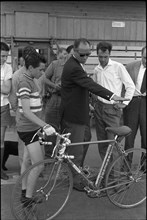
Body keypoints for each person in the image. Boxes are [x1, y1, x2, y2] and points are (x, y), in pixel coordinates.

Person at [60, 38, 129, 191]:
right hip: (77, 115)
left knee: (98, 142)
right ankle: (76, 178)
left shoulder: (80, 64)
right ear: (74, 52)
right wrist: (111, 96)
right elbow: (90, 85)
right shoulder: (75, 67)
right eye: (82, 54)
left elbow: (85, 87)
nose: (85, 58)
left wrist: (123, 103)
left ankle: (112, 178)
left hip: (101, 111)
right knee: (80, 148)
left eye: (87, 54)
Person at [14, 49, 56, 206]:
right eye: (40, 69)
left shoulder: (30, 80)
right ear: (30, 68)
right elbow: (25, 111)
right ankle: (28, 199)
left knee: (26, 160)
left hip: (32, 128)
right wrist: (45, 125)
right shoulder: (25, 82)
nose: (42, 72)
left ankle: (25, 191)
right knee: (38, 165)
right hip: (29, 129)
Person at [92, 41, 135, 162]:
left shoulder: (118, 67)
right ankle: (106, 175)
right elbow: (95, 87)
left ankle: (115, 178)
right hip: (99, 108)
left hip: (112, 109)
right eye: (100, 57)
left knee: (113, 144)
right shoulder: (97, 69)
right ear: (97, 55)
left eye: (105, 57)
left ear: (109, 54)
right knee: (102, 143)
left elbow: (130, 86)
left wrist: (124, 104)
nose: (103, 60)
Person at [123, 46, 146, 155]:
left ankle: (144, 166)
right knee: (129, 135)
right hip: (133, 102)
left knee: (146, 137)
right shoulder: (130, 67)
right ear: (141, 55)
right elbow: (123, 85)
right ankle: (126, 168)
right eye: (145, 57)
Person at [0, 42, 13, 180]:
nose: (4, 59)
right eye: (2, 56)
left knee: (1, 140)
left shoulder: (8, 68)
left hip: (3, 106)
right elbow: (3, 87)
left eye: (5, 56)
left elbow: (7, 89)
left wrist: (4, 86)